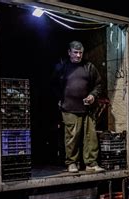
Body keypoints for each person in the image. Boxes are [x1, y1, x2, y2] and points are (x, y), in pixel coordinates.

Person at [52, 40, 104, 173]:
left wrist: (93, 95)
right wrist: (60, 99)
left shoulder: (89, 67)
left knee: (90, 137)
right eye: (75, 52)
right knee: (72, 137)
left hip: (87, 109)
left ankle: (91, 164)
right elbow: (54, 85)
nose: (78, 55)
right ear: (69, 53)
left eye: (80, 53)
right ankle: (72, 163)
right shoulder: (62, 68)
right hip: (69, 108)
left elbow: (98, 84)